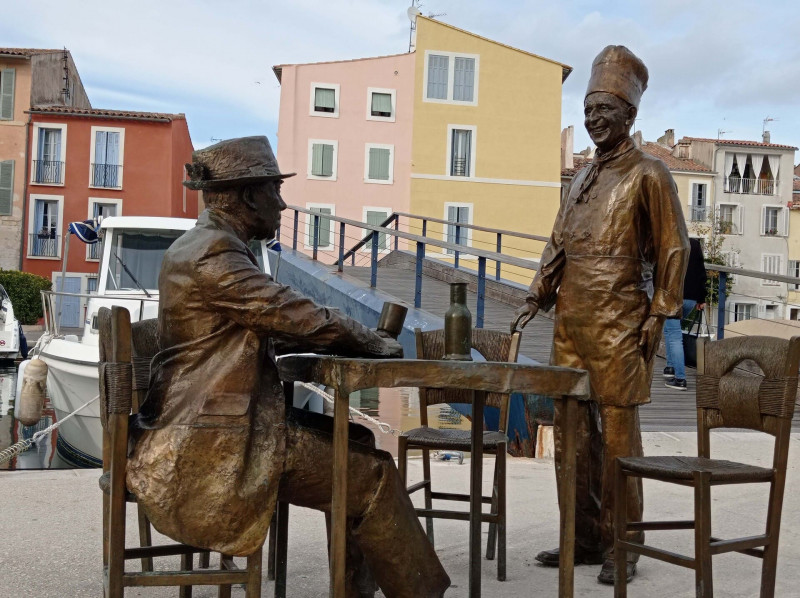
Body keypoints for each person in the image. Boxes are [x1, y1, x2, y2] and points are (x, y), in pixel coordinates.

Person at [126, 136, 450, 598]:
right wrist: (369, 340)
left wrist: (333, 336)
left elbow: (249, 325)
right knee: (373, 474)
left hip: (208, 421)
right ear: (247, 196)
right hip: (215, 437)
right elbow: (289, 311)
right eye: (274, 191)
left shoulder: (201, 246)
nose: (281, 204)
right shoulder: (213, 252)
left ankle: (357, 590)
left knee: (357, 439)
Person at [511, 46, 689, 585]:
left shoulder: (650, 174)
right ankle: (583, 537)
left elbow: (674, 250)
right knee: (571, 439)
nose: (592, 120)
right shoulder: (580, 180)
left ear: (630, 115)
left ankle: (623, 544)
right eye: (587, 111)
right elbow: (556, 247)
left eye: (603, 110)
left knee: (617, 441)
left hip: (619, 324)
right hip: (570, 324)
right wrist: (533, 299)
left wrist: (658, 315)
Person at [663, 237, 707, 390]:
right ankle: (670, 367)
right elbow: (701, 271)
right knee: (671, 331)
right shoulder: (694, 243)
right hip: (690, 299)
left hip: (672, 297)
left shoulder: (668, 243)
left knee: (674, 336)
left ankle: (680, 378)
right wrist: (701, 298)